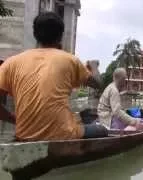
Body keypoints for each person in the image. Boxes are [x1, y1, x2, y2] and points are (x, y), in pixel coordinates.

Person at [0, 12, 106, 141]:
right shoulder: (70, 60)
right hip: (64, 135)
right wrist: (94, 66)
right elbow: (98, 84)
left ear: (35, 34)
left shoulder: (11, 63)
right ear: (60, 37)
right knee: (102, 129)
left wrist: (14, 119)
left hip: (23, 135)